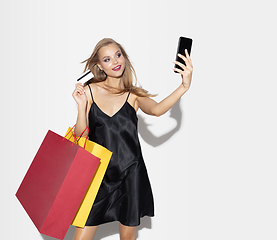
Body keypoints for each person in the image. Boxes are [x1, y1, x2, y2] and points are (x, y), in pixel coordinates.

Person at [72, 38, 193, 240]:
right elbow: (79, 135)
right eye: (107, 59)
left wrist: (184, 86)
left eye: (118, 55)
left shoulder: (133, 95)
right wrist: (81, 106)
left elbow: (157, 110)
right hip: (99, 177)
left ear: (125, 57)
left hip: (131, 174)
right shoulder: (89, 92)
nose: (115, 61)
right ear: (99, 66)